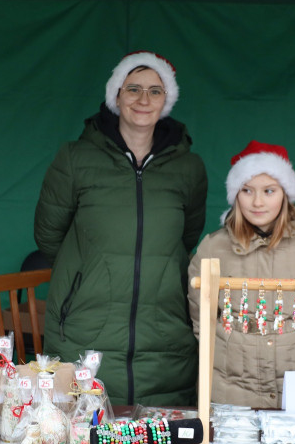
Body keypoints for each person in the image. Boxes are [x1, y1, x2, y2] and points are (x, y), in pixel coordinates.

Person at [34, 51, 207, 406]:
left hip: (164, 325)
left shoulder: (188, 168)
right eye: (133, 89)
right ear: (116, 96)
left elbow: (187, 237)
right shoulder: (75, 159)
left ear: (167, 100)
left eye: (155, 91)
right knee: (84, 434)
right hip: (85, 321)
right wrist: (88, 275)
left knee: (161, 442)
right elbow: (48, 235)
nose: (144, 100)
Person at [188, 140, 295, 407]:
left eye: (269, 191)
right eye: (247, 190)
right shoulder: (213, 247)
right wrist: (227, 350)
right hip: (229, 386)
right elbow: (202, 318)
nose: (257, 202)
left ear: (285, 193)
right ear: (235, 194)